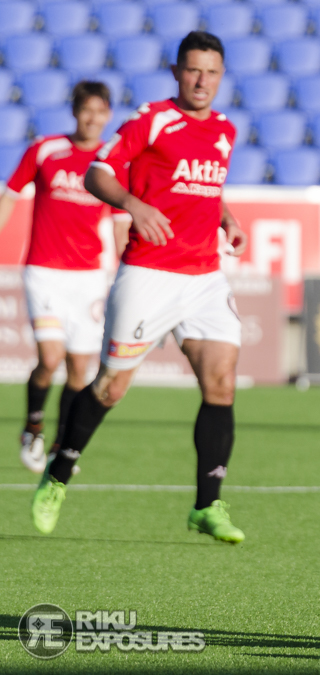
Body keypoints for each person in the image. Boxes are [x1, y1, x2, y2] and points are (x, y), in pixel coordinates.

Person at [31, 31, 249, 544]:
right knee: (111, 387)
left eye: (211, 72)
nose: (202, 81)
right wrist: (133, 203)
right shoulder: (152, 119)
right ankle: (59, 472)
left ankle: (207, 505)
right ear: (177, 72)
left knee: (221, 382)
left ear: (221, 76)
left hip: (204, 278)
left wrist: (228, 219)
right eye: (193, 70)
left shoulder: (224, 130)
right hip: (149, 274)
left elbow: (205, 190)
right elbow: (96, 174)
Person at [0, 81, 130, 474]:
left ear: (108, 115)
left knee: (78, 369)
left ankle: (60, 444)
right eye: (86, 110)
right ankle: (33, 427)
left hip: (88, 277)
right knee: (50, 358)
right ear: (75, 112)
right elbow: (10, 195)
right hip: (43, 271)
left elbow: (122, 225)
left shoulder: (113, 164)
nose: (92, 118)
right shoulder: (45, 150)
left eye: (100, 111)